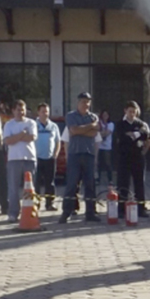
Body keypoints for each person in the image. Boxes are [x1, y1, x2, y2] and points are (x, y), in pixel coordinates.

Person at [59, 92, 100, 224]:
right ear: (78, 102)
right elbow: (73, 131)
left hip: (88, 154)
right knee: (71, 185)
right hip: (74, 155)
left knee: (90, 185)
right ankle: (66, 212)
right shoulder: (71, 116)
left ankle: (90, 213)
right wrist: (90, 127)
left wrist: (84, 129)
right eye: (83, 101)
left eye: (88, 101)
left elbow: (95, 132)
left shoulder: (93, 117)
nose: (86, 104)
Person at [3, 100, 38, 223]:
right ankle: (13, 213)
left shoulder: (31, 123)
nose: (20, 112)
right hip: (14, 159)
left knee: (29, 188)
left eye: (22, 109)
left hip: (29, 158)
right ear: (13, 111)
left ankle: (31, 211)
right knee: (13, 188)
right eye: (18, 109)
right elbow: (8, 141)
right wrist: (22, 133)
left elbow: (32, 137)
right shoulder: (9, 125)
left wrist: (16, 137)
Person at [114, 100, 149, 219]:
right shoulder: (120, 124)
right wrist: (136, 135)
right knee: (123, 183)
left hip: (138, 157)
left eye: (134, 111)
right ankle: (121, 209)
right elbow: (122, 137)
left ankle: (141, 208)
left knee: (139, 183)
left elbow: (145, 135)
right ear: (125, 111)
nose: (132, 114)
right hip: (124, 157)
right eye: (130, 111)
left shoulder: (140, 123)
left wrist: (133, 134)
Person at [35, 103, 61, 211]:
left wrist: (55, 154)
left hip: (50, 158)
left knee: (50, 183)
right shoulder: (34, 125)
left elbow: (58, 141)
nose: (45, 114)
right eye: (43, 111)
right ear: (38, 112)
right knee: (36, 182)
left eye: (47, 111)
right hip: (37, 158)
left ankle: (50, 203)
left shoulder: (53, 126)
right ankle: (35, 203)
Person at [96, 109, 114, 186]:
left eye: (106, 115)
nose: (105, 116)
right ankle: (97, 179)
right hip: (99, 146)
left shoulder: (111, 124)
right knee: (98, 163)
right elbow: (95, 132)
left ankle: (110, 180)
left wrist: (99, 134)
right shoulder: (99, 123)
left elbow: (107, 133)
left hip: (107, 146)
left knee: (108, 164)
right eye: (103, 115)